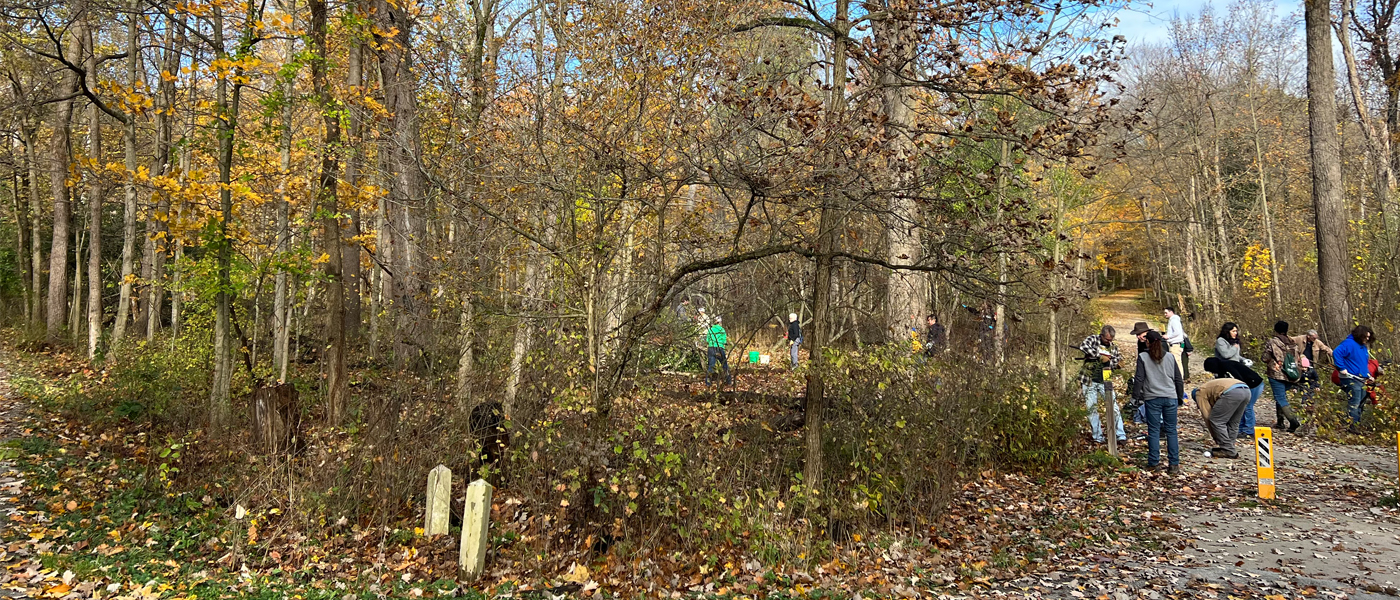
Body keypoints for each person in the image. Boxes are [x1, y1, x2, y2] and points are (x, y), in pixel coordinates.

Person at [1133, 331, 1184, 475]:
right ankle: (1174, 464)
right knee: (1171, 431)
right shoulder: (1169, 357)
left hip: (1152, 398)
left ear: (1147, 342)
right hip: (1170, 397)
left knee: (1154, 431)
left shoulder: (1143, 357)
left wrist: (1135, 397)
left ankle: (1154, 462)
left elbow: (1139, 379)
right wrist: (1179, 397)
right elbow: (1178, 379)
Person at [1079, 325, 1125, 445]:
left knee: (1114, 407)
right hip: (1089, 380)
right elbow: (1083, 347)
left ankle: (1120, 435)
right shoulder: (1092, 339)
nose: (1109, 342)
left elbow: (1116, 359)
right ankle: (1098, 437)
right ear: (1101, 336)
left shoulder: (1113, 347)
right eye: (1107, 339)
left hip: (1106, 380)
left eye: (1111, 340)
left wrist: (1116, 363)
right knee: (1091, 409)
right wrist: (1099, 356)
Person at [1203, 356, 1265, 436]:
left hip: (1254, 384)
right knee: (1241, 407)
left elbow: (1238, 379)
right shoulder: (1221, 369)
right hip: (1247, 385)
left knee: (1247, 406)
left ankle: (1249, 430)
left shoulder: (1228, 366)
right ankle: (1241, 428)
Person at [1192, 377, 1251, 458]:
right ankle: (1229, 447)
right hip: (1246, 390)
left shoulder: (1199, 393)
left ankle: (1228, 450)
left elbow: (1208, 417)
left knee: (1216, 421)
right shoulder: (1209, 388)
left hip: (1231, 392)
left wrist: (1216, 436)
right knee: (1233, 422)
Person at [1261, 321, 1302, 433]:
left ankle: (1293, 421)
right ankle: (1280, 422)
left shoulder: (1273, 342)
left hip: (1277, 374)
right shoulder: (1292, 342)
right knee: (1281, 396)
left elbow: (1265, 358)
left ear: (1275, 330)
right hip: (1291, 374)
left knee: (1280, 398)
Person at [1334, 325, 1376, 433]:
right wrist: (1342, 368)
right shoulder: (1348, 344)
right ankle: (1352, 426)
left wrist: (1368, 375)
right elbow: (1336, 353)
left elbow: (1362, 364)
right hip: (1350, 378)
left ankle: (1356, 423)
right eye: (1365, 337)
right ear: (1360, 335)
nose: (1367, 339)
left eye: (1368, 337)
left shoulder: (1363, 347)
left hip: (1361, 379)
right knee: (1355, 402)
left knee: (1361, 402)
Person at [1291, 329, 1332, 401]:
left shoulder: (1317, 342)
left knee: (1311, 378)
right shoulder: (1300, 338)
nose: (1315, 339)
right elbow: (1289, 340)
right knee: (1300, 378)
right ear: (1308, 336)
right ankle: (1297, 391)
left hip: (1311, 364)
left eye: (1316, 337)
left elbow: (1326, 348)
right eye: (1313, 337)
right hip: (1301, 364)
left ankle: (1309, 396)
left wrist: (1334, 355)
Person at [705, 316, 732, 386]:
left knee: (711, 366)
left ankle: (708, 382)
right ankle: (728, 381)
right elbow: (724, 341)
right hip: (719, 348)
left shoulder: (710, 329)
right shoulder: (722, 330)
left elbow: (707, 340)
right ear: (720, 322)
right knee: (724, 365)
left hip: (711, 348)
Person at [1163, 308, 1186, 387]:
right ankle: (1179, 379)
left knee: (1176, 362)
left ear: (1171, 312)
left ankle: (1178, 380)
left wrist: (1168, 336)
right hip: (1177, 344)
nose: (1165, 314)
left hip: (1175, 344)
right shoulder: (1174, 320)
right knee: (1178, 361)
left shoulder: (1174, 320)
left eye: (1166, 313)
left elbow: (1177, 332)